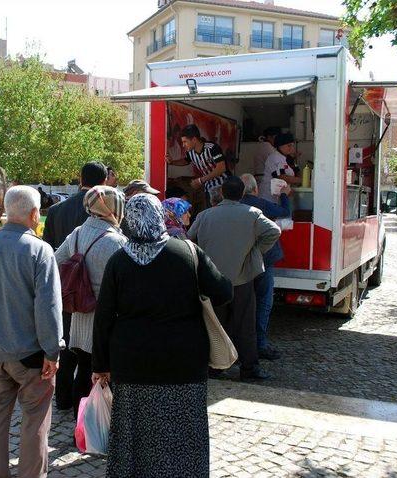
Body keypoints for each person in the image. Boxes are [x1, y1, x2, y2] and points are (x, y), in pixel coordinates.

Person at [92, 193, 232, 478]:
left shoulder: (119, 261)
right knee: (184, 434)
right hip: (184, 362)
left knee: (135, 434)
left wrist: (100, 366)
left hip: (132, 364)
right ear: (160, 217)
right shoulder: (188, 253)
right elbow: (224, 292)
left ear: (129, 221)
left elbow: (103, 317)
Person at [0, 185, 64, 478]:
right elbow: (49, 307)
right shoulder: (40, 251)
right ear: (34, 214)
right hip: (30, 355)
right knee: (35, 419)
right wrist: (52, 351)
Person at [188, 176, 280, 381]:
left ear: (221, 193)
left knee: (215, 325)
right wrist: (256, 251)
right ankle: (249, 369)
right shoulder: (253, 214)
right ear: (242, 194)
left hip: (212, 279)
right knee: (245, 326)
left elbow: (189, 238)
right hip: (242, 278)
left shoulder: (205, 215)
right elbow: (274, 231)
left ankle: (215, 367)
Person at [54, 185, 126, 418]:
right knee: (107, 375)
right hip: (106, 319)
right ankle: (102, 429)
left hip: (79, 314)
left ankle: (80, 426)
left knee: (83, 370)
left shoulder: (77, 233)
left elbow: (56, 262)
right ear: (112, 208)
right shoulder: (116, 241)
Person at [42, 161, 107, 411]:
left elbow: (48, 251)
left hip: (64, 288)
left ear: (80, 178)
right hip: (92, 290)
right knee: (87, 351)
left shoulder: (57, 210)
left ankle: (63, 398)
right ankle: (82, 402)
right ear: (104, 182)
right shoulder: (103, 211)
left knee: (66, 344)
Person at [241, 174, 291, 361]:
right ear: (255, 189)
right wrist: (284, 195)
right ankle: (260, 344)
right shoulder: (259, 204)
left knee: (242, 305)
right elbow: (284, 212)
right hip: (264, 260)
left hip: (240, 261)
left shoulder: (233, 206)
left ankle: (239, 345)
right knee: (263, 303)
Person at [167, 124, 230, 209]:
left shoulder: (212, 148)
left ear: (194, 139)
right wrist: (172, 162)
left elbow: (221, 168)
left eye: (185, 142)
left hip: (224, 187)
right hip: (209, 189)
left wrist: (200, 180)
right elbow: (186, 161)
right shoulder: (190, 152)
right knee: (210, 213)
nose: (183, 145)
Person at [260, 132, 302, 201]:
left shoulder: (287, 158)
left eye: (292, 145)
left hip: (280, 197)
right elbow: (281, 177)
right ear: (280, 146)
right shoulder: (275, 157)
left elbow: (296, 171)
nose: (291, 148)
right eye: (289, 146)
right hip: (269, 198)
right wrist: (301, 180)